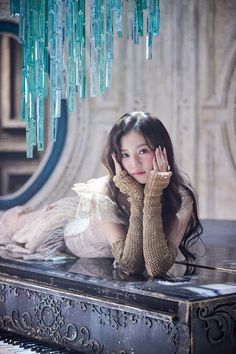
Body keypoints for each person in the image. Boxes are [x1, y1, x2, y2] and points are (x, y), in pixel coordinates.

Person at [0, 111, 202, 277]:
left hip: (83, 218)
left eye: (142, 151)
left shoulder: (181, 198)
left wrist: (153, 194)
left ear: (162, 151)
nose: (133, 163)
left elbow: (155, 267)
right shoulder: (104, 191)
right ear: (116, 158)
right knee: (10, 223)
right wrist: (139, 197)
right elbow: (130, 264)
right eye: (125, 154)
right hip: (61, 230)